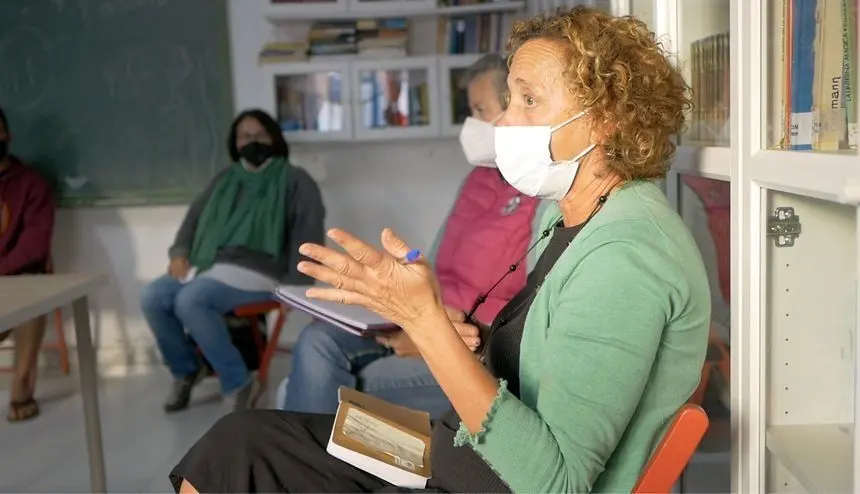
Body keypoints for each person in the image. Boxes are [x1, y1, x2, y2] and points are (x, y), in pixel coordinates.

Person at [170, 7, 711, 493]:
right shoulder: (571, 218)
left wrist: (425, 323)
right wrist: (454, 336)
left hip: (479, 476)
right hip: (457, 451)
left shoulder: (627, 254)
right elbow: (535, 373)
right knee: (238, 441)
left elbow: (557, 483)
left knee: (240, 467)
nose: (503, 121)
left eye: (527, 99)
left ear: (604, 120)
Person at [277, 54, 548, 418]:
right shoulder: (478, 179)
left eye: (480, 109)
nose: (471, 123)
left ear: (513, 108)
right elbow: (431, 266)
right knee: (317, 338)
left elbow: (527, 318)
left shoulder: (542, 196)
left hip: (468, 343)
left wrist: (434, 336)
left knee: (311, 386)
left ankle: (307, 468)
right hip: (423, 321)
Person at [140, 109, 325, 414]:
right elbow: (193, 220)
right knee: (154, 297)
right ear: (234, 143)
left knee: (191, 300)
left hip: (261, 271)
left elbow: (309, 234)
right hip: (209, 263)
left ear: (274, 139)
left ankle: (239, 382)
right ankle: (186, 370)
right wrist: (179, 254)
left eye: (259, 135)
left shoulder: (295, 180)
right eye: (244, 136)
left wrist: (298, 289)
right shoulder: (225, 179)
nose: (251, 141)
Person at [0, 106, 56, 422]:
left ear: (7, 136)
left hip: (19, 279)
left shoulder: (31, 184)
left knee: (34, 289)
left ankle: (21, 386)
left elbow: (34, 246)